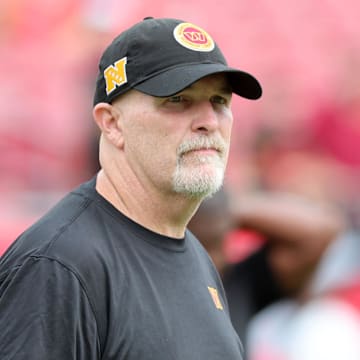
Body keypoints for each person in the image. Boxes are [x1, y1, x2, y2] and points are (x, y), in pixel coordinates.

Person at [0, 17, 262, 359]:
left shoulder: (195, 254)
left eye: (219, 101)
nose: (209, 121)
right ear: (111, 123)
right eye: (178, 100)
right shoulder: (59, 266)